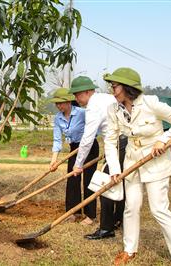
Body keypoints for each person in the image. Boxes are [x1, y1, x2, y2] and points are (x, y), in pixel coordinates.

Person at [103, 67, 171, 266]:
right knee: (131, 207)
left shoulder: (150, 103)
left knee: (159, 209)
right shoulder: (113, 109)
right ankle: (129, 250)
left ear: (127, 88)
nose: (112, 90)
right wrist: (115, 170)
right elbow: (110, 140)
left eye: (115, 86)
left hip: (156, 162)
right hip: (132, 162)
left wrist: (164, 140)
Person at [69, 76, 121, 231]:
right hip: (120, 143)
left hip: (117, 145)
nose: (76, 98)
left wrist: (78, 165)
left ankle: (107, 226)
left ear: (86, 92)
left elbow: (87, 138)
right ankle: (118, 219)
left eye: (77, 94)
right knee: (121, 182)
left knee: (106, 182)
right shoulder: (107, 97)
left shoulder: (93, 106)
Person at [49, 88, 93, 222]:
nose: (58, 106)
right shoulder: (58, 118)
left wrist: (86, 141)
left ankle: (90, 215)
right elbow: (57, 140)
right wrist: (54, 160)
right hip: (74, 148)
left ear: (69, 102)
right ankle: (73, 212)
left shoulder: (82, 113)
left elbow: (94, 130)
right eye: (56, 104)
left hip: (89, 146)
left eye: (60, 103)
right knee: (72, 178)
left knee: (88, 181)